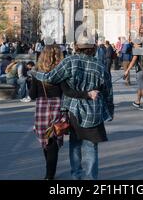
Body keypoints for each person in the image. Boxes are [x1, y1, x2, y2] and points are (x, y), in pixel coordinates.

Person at [31, 38, 114, 180]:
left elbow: (50, 77)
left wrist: (35, 73)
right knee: (91, 147)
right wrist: (110, 111)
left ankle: (76, 176)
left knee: (75, 145)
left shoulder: (69, 61)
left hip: (73, 109)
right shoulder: (99, 65)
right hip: (93, 111)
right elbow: (108, 92)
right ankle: (91, 177)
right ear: (93, 48)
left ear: (77, 47)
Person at [124, 39, 143, 111]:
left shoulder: (137, 50)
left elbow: (133, 61)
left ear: (136, 44)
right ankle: (137, 102)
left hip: (140, 71)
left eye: (133, 44)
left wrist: (127, 70)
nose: (133, 45)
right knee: (140, 86)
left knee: (142, 88)